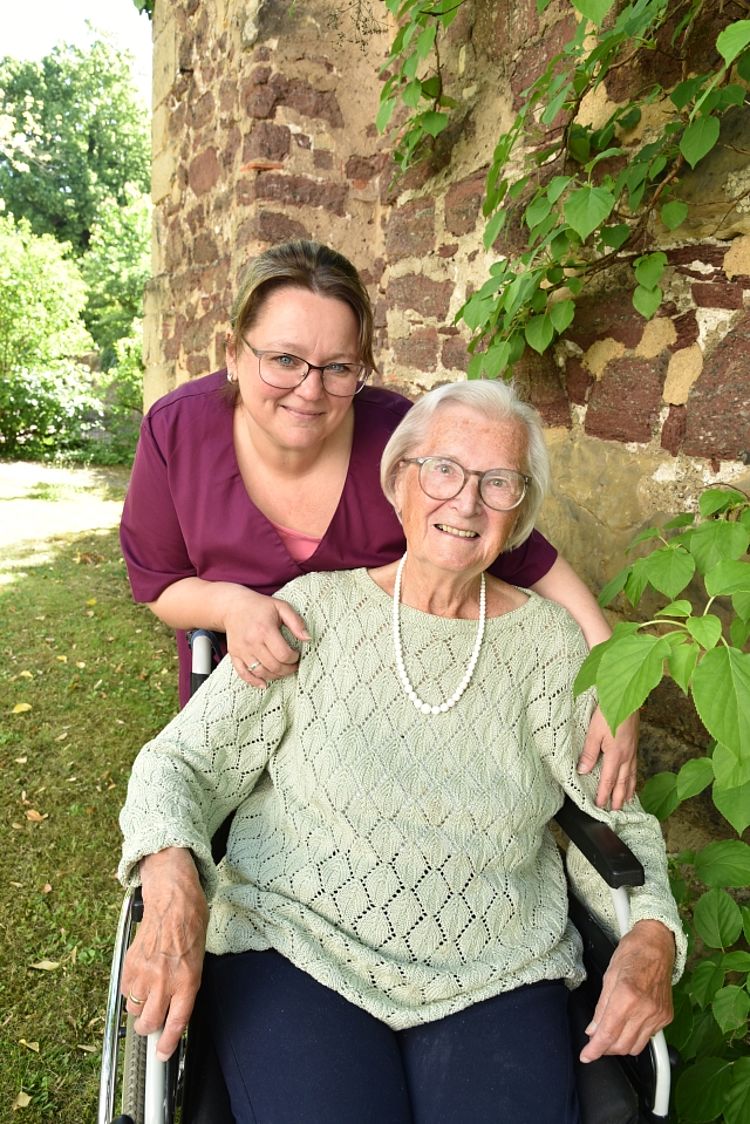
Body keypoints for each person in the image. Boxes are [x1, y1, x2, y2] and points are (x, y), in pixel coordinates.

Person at [119, 380, 684, 1124]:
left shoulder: (551, 647)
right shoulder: (312, 612)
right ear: (399, 480)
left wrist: (650, 936)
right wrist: (170, 876)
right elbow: (179, 764)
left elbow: (617, 815)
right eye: (443, 469)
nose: (467, 502)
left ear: (521, 512)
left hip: (499, 964)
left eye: (499, 482)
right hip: (299, 946)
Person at [120, 240, 637, 809]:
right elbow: (160, 583)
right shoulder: (177, 430)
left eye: (339, 367)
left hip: (372, 728)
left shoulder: (401, 445)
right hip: (244, 696)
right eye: (285, 360)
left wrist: (618, 690)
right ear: (234, 354)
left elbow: (519, 550)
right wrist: (230, 606)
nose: (311, 389)